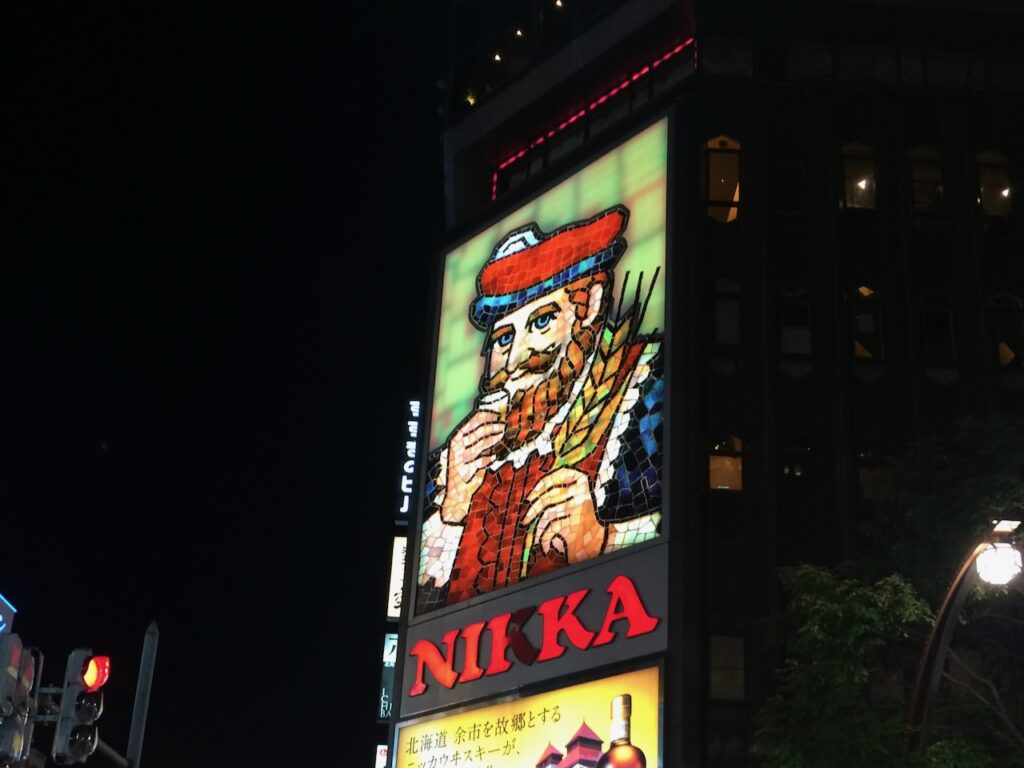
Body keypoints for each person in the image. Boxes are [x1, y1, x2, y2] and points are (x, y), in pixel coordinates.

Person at [417, 205, 663, 610]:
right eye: (502, 340)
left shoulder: (647, 388)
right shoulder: (450, 463)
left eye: (541, 321)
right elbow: (410, 601)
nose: (516, 358)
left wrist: (603, 538)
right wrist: (451, 511)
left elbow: (691, 526)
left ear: (589, 305)